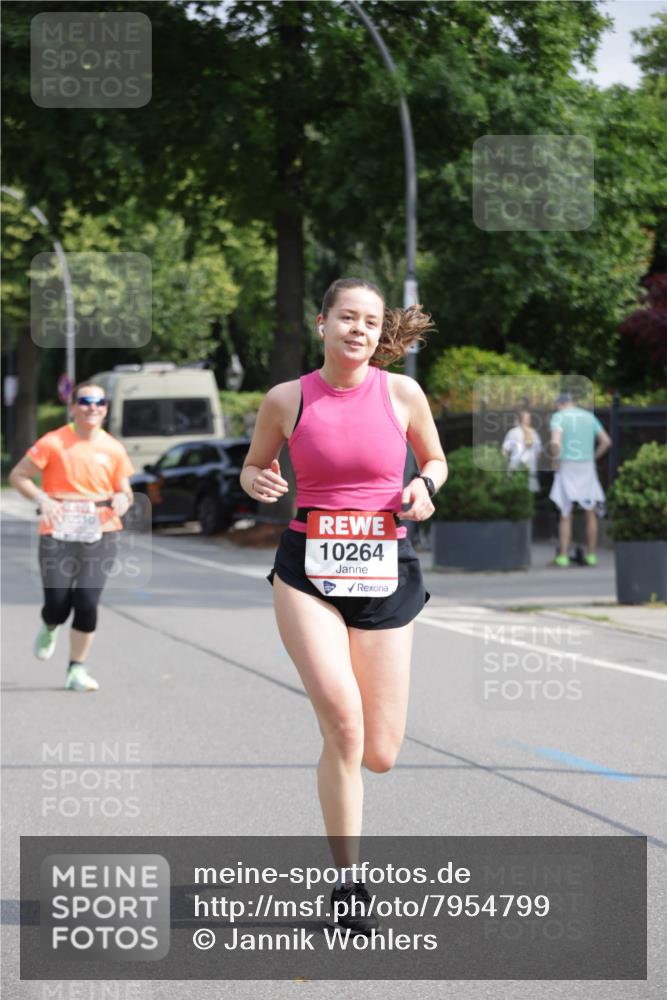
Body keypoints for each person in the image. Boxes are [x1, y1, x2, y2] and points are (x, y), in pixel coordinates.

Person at [241, 277, 447, 933]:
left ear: (379, 332)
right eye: (347, 317)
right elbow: (252, 466)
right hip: (308, 570)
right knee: (344, 725)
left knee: (380, 751)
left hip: (386, 570)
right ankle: (348, 883)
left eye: (370, 321)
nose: (358, 329)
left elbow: (436, 461)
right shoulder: (287, 398)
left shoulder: (402, 393)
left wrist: (424, 486)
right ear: (322, 322)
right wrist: (258, 479)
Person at [8, 382, 134, 691]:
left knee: (87, 601)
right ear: (73, 407)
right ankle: (50, 623)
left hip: (101, 532)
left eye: (100, 402)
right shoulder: (53, 442)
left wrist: (123, 499)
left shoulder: (113, 448)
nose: (93, 407)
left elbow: (125, 489)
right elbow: (18, 476)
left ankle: (76, 668)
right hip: (58, 532)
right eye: (86, 401)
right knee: (57, 603)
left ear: (106, 409)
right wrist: (42, 499)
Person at [548, 391, 611, 566]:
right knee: (590, 512)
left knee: (565, 512)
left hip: (567, 465)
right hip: (587, 466)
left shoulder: (559, 417)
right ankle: (591, 555)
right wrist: (594, 456)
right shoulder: (589, 417)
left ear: (560, 404)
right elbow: (606, 441)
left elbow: (555, 443)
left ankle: (563, 556)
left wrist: (555, 459)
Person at [501, 401, 542, 492]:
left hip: (527, 471)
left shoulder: (534, 434)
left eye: (529, 418)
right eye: (527, 418)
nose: (529, 420)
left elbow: (538, 453)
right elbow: (504, 450)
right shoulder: (514, 432)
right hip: (518, 470)